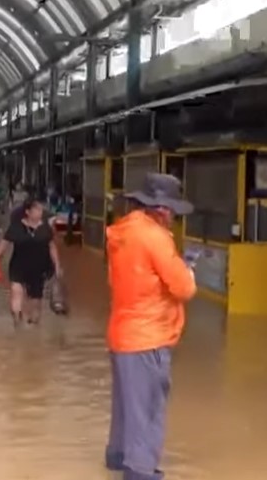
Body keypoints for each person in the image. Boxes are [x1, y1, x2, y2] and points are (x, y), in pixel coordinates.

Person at [104, 173, 196, 480]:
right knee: (149, 408)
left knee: (127, 404)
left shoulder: (122, 231)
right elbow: (183, 288)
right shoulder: (155, 237)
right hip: (148, 336)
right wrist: (188, 273)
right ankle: (140, 470)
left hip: (122, 332)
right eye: (171, 211)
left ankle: (118, 455)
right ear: (162, 209)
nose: (172, 218)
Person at [0, 197, 62, 325]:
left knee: (36, 301)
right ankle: (17, 322)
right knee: (16, 292)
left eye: (41, 210)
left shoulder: (45, 229)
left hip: (39, 268)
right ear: (28, 212)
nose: (40, 212)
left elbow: (52, 247)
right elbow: (3, 245)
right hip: (18, 266)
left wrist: (57, 265)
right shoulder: (16, 227)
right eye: (37, 210)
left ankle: (33, 329)